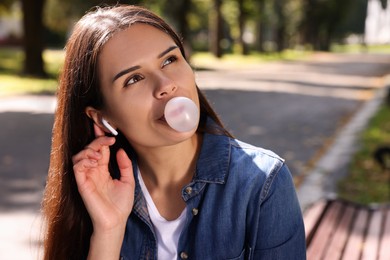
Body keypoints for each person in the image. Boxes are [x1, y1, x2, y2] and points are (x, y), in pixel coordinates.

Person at [41, 5, 306, 260]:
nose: (166, 85)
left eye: (169, 60)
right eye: (134, 78)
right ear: (102, 117)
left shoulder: (262, 183)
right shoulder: (98, 191)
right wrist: (108, 230)